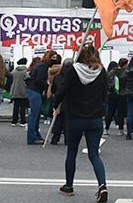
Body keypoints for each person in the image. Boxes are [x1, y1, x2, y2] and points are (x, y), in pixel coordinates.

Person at [53, 44, 109, 202]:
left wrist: (56, 106)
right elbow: (105, 94)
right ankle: (102, 185)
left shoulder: (73, 70)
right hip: (95, 118)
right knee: (94, 154)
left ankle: (69, 186)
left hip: (76, 117)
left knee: (72, 152)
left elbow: (62, 90)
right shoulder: (101, 71)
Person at [25, 51, 50, 145]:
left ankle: (35, 135)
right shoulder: (43, 66)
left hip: (32, 90)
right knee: (35, 115)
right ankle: (32, 137)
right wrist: (47, 87)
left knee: (35, 115)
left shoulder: (39, 65)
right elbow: (39, 80)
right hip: (35, 91)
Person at [105, 58, 128, 135]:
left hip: (111, 94)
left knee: (110, 112)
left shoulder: (112, 71)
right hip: (121, 94)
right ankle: (120, 130)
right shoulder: (125, 72)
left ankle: (106, 129)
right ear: (125, 64)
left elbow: (107, 81)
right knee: (120, 112)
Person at [10, 58, 29, 126]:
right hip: (23, 90)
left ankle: (14, 121)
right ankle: (22, 121)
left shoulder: (14, 71)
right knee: (23, 107)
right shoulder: (26, 71)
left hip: (15, 90)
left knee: (16, 106)